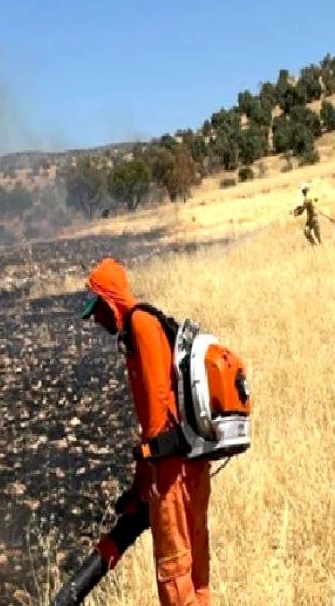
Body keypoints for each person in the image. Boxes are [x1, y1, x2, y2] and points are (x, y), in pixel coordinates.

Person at [81, 257, 212, 606]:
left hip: (173, 473)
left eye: (97, 310)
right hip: (187, 462)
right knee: (194, 567)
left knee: (175, 570)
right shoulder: (141, 326)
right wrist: (138, 491)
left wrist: (150, 483)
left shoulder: (140, 325)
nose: (95, 319)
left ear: (110, 302)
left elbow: (156, 419)